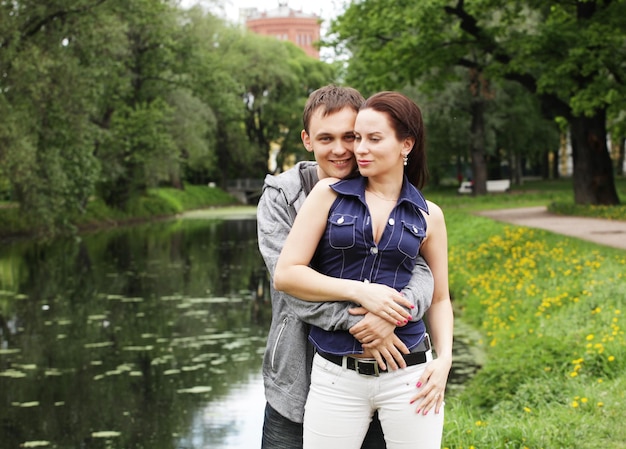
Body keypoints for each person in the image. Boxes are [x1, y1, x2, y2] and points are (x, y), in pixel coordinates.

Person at [257, 86, 435, 449]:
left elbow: (420, 268)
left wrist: (394, 317)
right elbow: (289, 285)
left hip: (379, 367)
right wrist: (367, 323)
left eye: (349, 137)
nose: (341, 149)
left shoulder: (386, 188)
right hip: (297, 372)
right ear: (307, 140)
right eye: (326, 138)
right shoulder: (282, 196)